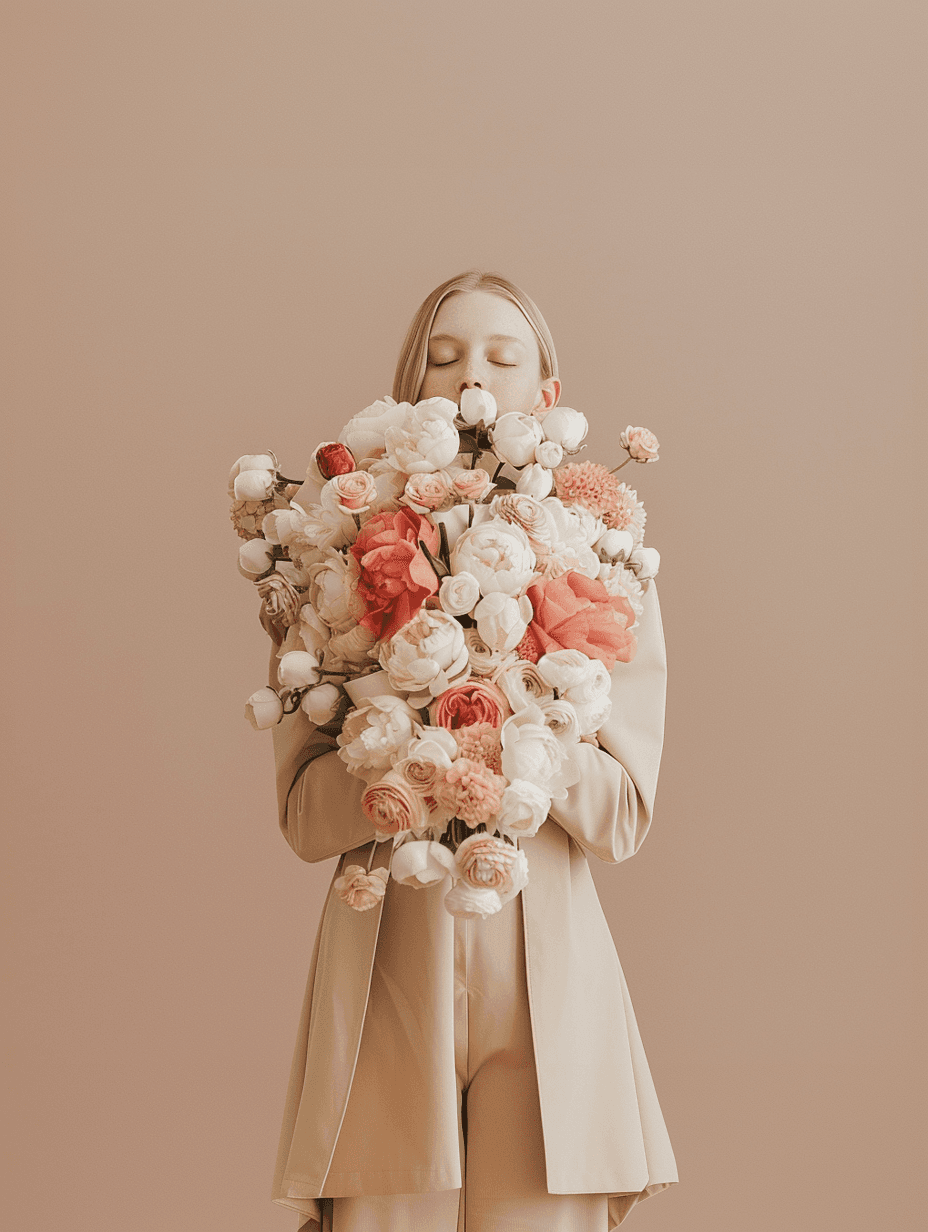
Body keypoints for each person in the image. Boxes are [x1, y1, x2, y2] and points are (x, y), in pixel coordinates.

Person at [265, 271, 678, 1231]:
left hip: (552, 988)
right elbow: (302, 815)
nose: (471, 382)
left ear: (547, 398)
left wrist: (520, 730)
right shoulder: (334, 559)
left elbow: (622, 815)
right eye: (443, 361)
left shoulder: (608, 566)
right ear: (409, 397)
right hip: (382, 978)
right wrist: (399, 743)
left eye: (502, 359)